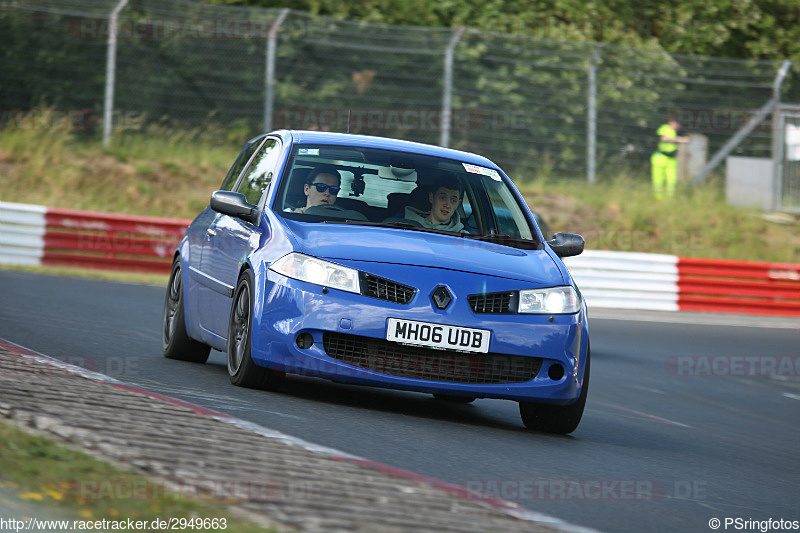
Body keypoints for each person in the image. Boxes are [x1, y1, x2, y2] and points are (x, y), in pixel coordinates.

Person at [402, 175, 467, 232]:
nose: (447, 205)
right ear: (431, 197)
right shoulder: (403, 226)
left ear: (458, 204)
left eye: (453, 200)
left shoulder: (463, 238)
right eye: (443, 198)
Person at [651, 114, 690, 199]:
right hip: (660, 158)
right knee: (658, 180)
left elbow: (687, 139)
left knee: (671, 180)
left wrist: (676, 139)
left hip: (672, 159)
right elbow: (663, 138)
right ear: (670, 123)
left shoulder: (677, 130)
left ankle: (670, 198)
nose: (677, 125)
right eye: (675, 123)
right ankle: (658, 198)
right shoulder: (664, 128)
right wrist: (679, 139)